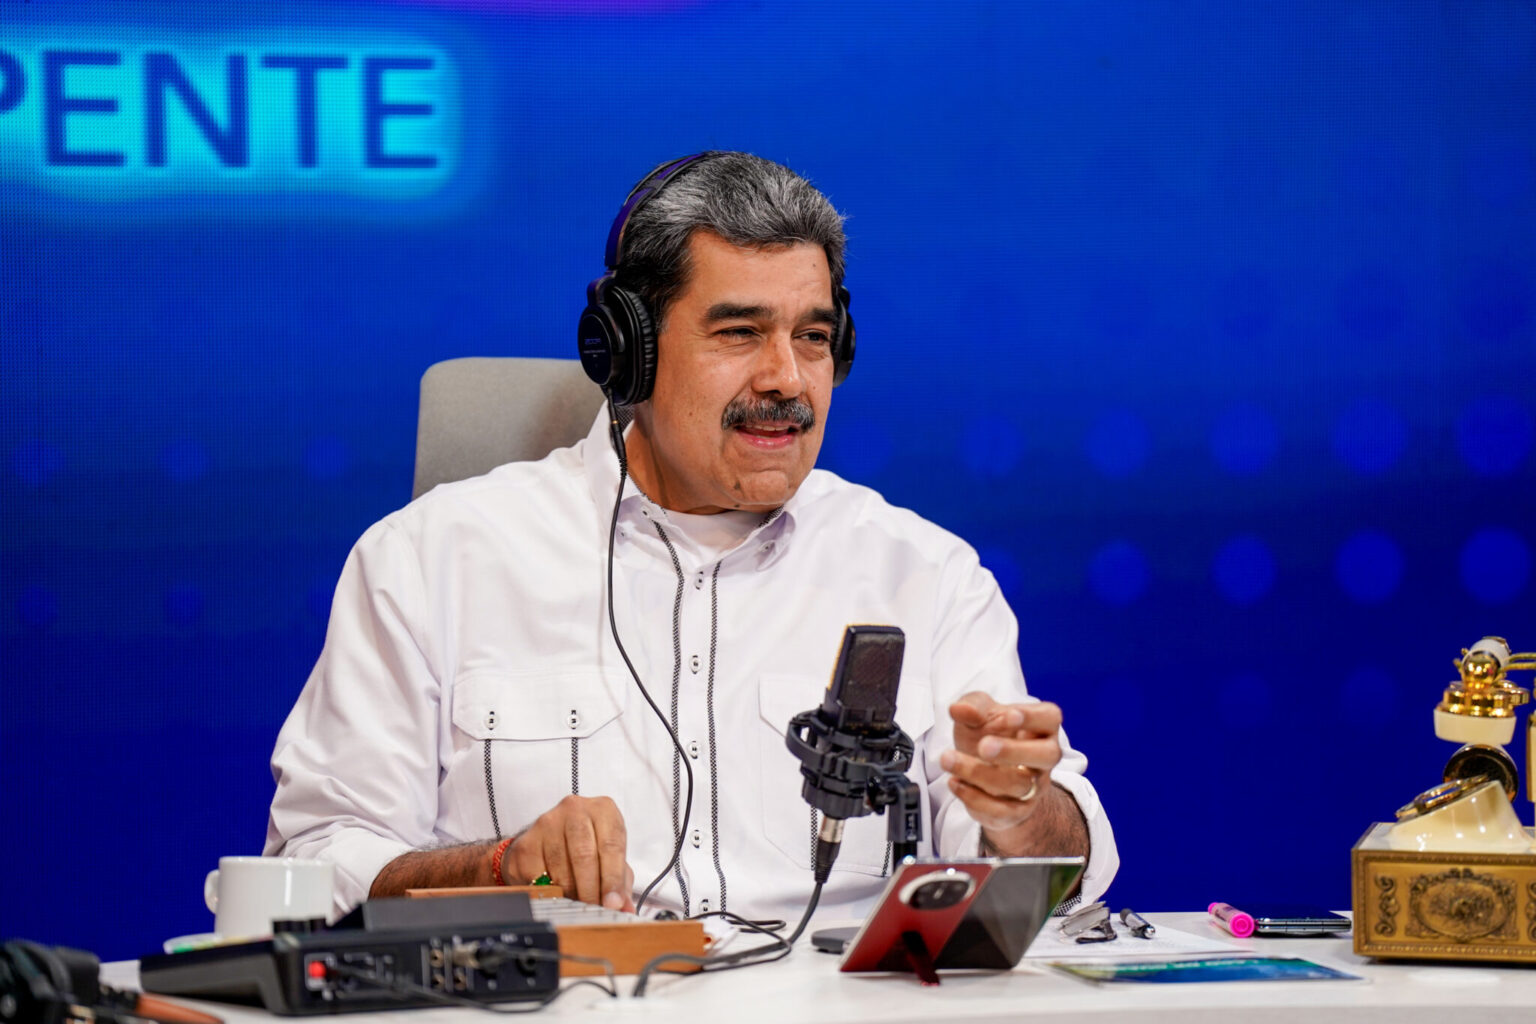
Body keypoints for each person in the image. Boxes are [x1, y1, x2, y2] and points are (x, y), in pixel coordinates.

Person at [266, 152, 1117, 923]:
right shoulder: (430, 559)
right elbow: (316, 859)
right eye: (739, 333)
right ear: (627, 354)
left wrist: (1021, 811)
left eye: (813, 337)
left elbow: (1057, 874)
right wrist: (496, 868)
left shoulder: (924, 573)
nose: (785, 378)